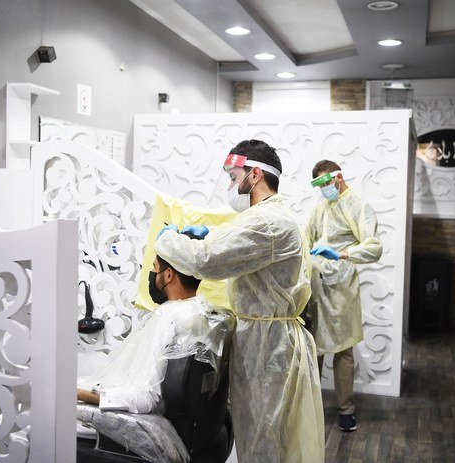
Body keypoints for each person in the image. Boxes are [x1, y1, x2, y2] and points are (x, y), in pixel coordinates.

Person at [155, 139, 325, 462]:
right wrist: (208, 232)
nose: (232, 185)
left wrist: (165, 240)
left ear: (255, 175)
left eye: (235, 177)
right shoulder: (268, 216)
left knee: (264, 442)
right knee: (261, 437)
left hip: (268, 346)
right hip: (264, 340)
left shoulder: (268, 222)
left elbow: (206, 261)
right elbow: (230, 243)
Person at [76, 248, 233, 415]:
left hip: (141, 419)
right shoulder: (205, 316)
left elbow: (146, 398)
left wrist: (82, 395)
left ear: (168, 275)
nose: (151, 274)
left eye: (154, 268)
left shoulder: (172, 318)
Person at [305, 159, 382, 433]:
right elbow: (306, 242)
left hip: (341, 289)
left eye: (326, 182)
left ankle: (346, 410)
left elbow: (374, 248)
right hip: (316, 288)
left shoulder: (358, 207)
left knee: (343, 350)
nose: (324, 188)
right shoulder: (319, 210)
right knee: (313, 351)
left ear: (338, 177)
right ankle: (309, 410)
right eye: (318, 185)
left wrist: (342, 254)